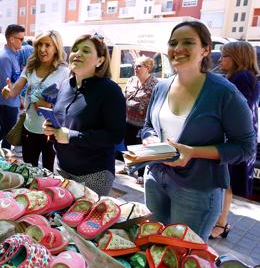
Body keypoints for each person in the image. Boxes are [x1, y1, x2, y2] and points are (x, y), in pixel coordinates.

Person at [140, 21, 255, 241]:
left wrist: (192, 151)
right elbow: (147, 127)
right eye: (173, 42)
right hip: (155, 179)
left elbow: (246, 147)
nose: (178, 48)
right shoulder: (161, 87)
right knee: (154, 246)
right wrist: (152, 139)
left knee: (181, 254)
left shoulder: (224, 93)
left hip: (197, 190)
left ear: (205, 49)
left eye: (188, 42)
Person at [43, 34, 126, 196]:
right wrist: (51, 129)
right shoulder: (66, 84)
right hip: (62, 168)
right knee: (60, 218)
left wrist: (71, 136)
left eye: (86, 50)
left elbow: (115, 136)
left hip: (94, 175)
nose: (77, 53)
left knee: (84, 220)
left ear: (100, 61)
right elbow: (64, 123)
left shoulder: (110, 91)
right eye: (75, 49)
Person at [210, 41, 259, 239]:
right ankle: (219, 222)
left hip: (234, 140)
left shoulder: (242, 78)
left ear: (237, 58)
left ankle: (221, 224)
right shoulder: (246, 77)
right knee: (224, 182)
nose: (220, 60)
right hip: (237, 139)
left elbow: (239, 110)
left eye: (225, 56)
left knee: (225, 182)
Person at [1, 30, 69, 171]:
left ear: (56, 48)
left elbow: (67, 104)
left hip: (50, 132)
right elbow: (15, 90)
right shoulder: (31, 67)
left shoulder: (64, 72)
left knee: (48, 171)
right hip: (29, 129)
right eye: (39, 45)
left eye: (47, 45)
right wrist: (8, 91)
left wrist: (47, 105)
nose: (42, 49)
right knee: (29, 169)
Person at [120, 55, 159, 184]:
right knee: (128, 145)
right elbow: (124, 96)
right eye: (134, 66)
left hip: (143, 124)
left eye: (139, 66)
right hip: (128, 120)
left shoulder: (155, 84)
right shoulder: (131, 80)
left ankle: (141, 174)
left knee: (140, 148)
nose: (135, 68)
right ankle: (129, 167)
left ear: (148, 68)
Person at [0, 24, 25, 149]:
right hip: (6, 103)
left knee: (4, 132)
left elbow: (14, 80)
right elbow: (6, 86)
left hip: (11, 102)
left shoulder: (13, 55)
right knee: (8, 136)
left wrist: (19, 98)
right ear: (11, 39)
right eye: (21, 39)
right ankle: (4, 162)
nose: (23, 42)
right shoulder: (5, 57)